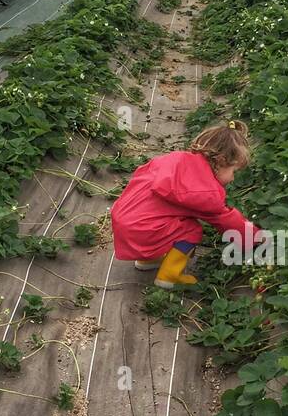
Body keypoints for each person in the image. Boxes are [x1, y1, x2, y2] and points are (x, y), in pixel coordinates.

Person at [110, 120, 263, 289]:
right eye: (233, 171)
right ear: (220, 161)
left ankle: (148, 259)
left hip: (123, 217)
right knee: (190, 229)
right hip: (142, 230)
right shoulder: (205, 192)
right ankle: (169, 276)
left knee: (164, 216)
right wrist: (255, 238)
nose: (233, 178)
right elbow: (226, 220)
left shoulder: (175, 160)